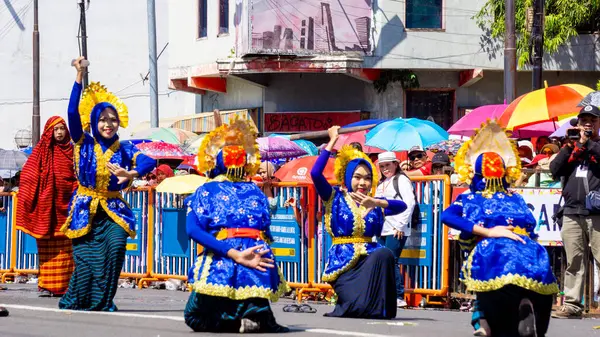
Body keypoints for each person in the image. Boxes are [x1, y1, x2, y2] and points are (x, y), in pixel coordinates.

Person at [442, 120, 558, 337]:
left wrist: (486, 232)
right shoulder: (515, 197)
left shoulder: (471, 197)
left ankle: (484, 321)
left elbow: (446, 215)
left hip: (492, 247)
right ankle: (520, 306)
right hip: (526, 248)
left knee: (486, 271)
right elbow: (531, 225)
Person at [58, 57, 156, 311]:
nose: (108, 124)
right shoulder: (83, 141)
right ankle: (81, 298)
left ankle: (104, 299)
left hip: (113, 207)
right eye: (102, 119)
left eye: (112, 119)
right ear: (93, 121)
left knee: (116, 246)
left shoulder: (124, 148)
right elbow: (71, 112)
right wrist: (79, 76)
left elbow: (149, 161)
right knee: (87, 259)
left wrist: (131, 173)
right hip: (85, 207)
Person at [184, 115, 289, 333]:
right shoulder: (254, 190)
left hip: (223, 259)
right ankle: (255, 316)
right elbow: (266, 231)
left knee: (194, 316)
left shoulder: (206, 189)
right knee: (253, 299)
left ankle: (237, 321)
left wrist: (232, 252)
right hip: (256, 256)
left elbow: (192, 229)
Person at [311, 126, 407, 319]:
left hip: (369, 260)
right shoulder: (334, 197)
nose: (363, 183)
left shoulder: (373, 203)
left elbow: (401, 206)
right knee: (357, 306)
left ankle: (382, 308)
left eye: (367, 178)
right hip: (344, 263)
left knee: (384, 253)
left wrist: (377, 202)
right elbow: (315, 174)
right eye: (357, 177)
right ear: (348, 178)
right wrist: (332, 141)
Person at [16, 116, 78, 297]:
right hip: (46, 209)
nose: (59, 132)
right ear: (49, 132)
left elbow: (78, 176)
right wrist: (42, 186)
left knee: (66, 251)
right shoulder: (41, 151)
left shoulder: (72, 151)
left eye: (62, 129)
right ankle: (46, 285)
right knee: (47, 250)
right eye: (55, 129)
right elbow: (28, 174)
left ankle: (65, 286)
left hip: (67, 208)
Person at [550, 105, 600, 319]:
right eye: (583, 120)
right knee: (574, 262)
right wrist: (569, 146)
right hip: (571, 211)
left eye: (593, 120)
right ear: (577, 124)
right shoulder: (571, 146)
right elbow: (554, 170)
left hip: (597, 212)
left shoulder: (597, 146)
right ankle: (572, 305)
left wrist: (588, 143)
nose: (587, 123)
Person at [375, 151, 416, 308]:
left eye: (388, 165)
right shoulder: (382, 183)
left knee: (392, 260)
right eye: (382, 166)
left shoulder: (402, 180)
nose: (385, 169)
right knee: (382, 261)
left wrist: (400, 225)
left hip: (396, 227)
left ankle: (398, 296)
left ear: (396, 164)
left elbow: (410, 203)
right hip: (382, 228)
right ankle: (384, 294)